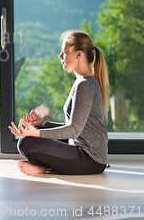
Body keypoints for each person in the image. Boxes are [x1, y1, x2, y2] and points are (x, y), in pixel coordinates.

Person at [9, 30, 109, 175]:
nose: (60, 56)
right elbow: (76, 129)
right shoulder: (83, 82)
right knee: (29, 138)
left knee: (27, 142)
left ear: (78, 54)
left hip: (90, 159)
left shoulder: (85, 84)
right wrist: (43, 125)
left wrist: (37, 133)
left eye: (64, 52)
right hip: (85, 154)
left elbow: (74, 130)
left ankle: (43, 167)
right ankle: (47, 167)